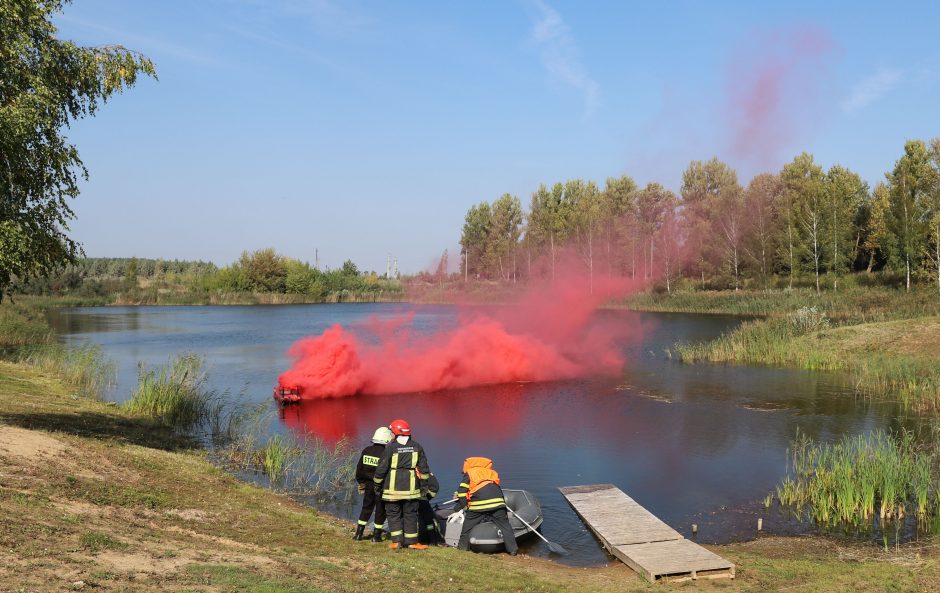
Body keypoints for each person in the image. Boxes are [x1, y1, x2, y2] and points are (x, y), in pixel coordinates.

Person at [372, 418, 432, 550]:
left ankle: (397, 542)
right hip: (411, 490)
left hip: (392, 490)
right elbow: (424, 469)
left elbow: (381, 469)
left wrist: (377, 485)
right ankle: (412, 542)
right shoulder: (417, 447)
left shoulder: (390, 448)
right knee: (410, 515)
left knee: (393, 515)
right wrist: (424, 486)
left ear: (395, 433)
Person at [454, 456, 517, 555]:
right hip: (498, 503)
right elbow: (496, 489)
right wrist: (502, 505)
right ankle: (513, 550)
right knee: (505, 526)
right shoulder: (492, 473)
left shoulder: (469, 473)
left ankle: (462, 548)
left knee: (467, 528)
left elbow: (461, 492)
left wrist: (464, 506)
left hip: (478, 506)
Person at [353, 426, 394, 541]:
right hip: (381, 486)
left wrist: (361, 483)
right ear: (386, 439)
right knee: (381, 510)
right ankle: (376, 536)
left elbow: (359, 469)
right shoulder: (387, 453)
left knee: (366, 508)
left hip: (368, 486)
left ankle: (358, 534)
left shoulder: (366, 450)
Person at [417, 472, 442, 544]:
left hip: (412, 501)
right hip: (422, 500)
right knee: (429, 521)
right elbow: (434, 487)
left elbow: (434, 487)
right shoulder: (423, 469)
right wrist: (426, 497)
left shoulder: (403, 468)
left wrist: (426, 497)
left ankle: (430, 540)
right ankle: (433, 540)